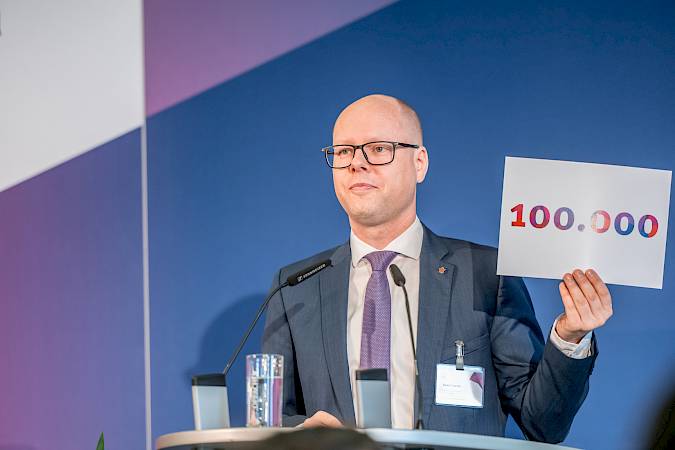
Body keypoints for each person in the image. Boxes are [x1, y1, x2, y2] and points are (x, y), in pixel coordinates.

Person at [262, 94, 613, 443]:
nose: (357, 163)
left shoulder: (485, 275)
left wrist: (569, 337)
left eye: (378, 148)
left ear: (419, 163)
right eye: (343, 152)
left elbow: (543, 424)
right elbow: (272, 419)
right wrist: (299, 436)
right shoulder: (295, 287)